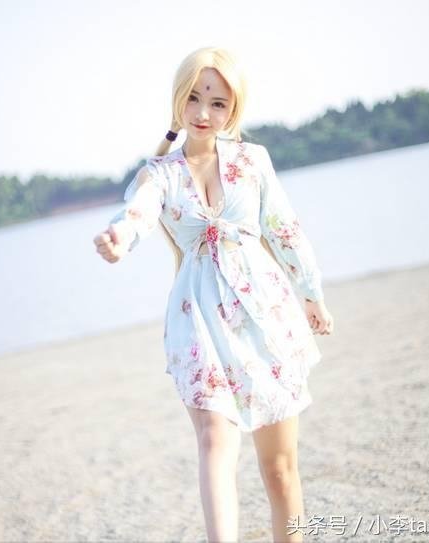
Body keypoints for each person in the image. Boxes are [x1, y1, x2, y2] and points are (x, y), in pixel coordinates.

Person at [93, 46, 334, 543]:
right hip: (198, 321)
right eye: (194, 98)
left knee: (280, 469)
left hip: (265, 317)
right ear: (178, 99)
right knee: (214, 439)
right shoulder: (158, 173)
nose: (203, 112)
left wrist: (311, 294)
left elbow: (284, 229)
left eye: (218, 103)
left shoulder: (253, 161)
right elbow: (138, 212)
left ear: (233, 109)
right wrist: (119, 238)